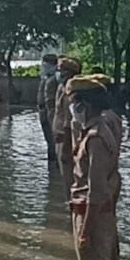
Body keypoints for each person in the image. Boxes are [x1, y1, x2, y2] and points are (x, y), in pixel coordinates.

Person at [66, 75, 121, 260]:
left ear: (85, 105)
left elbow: (96, 191)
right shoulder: (92, 132)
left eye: (74, 103)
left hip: (92, 218)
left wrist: (85, 232)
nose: (72, 108)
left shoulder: (96, 138)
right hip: (92, 214)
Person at [53, 56, 83, 193]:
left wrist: (66, 146)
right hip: (59, 136)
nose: (58, 73)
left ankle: (71, 201)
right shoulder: (62, 88)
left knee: (69, 177)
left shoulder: (71, 93)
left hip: (66, 138)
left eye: (61, 70)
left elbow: (68, 120)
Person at [38, 53, 60, 162]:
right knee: (49, 141)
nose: (43, 66)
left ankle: (54, 164)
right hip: (43, 112)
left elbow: (52, 101)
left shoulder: (55, 79)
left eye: (45, 64)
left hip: (50, 113)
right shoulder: (45, 77)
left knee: (53, 141)